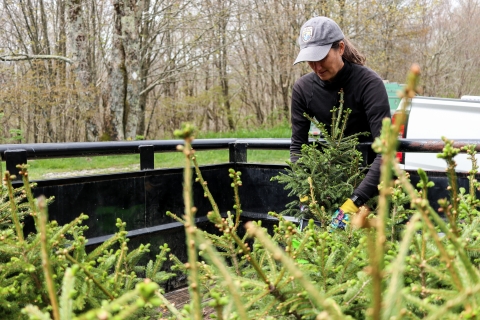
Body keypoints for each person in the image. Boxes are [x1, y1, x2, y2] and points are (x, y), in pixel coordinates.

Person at [290, 16, 391, 229]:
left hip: (371, 185)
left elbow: (385, 152)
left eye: (322, 57)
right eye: (310, 59)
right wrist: (306, 195)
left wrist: (354, 203)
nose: (316, 66)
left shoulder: (369, 85)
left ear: (341, 48)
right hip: (329, 183)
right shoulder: (302, 89)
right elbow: (298, 146)